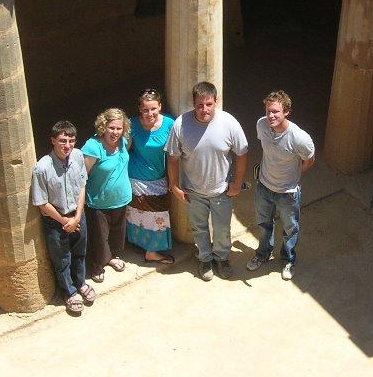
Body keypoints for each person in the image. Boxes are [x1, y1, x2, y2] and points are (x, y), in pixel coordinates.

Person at [166, 81, 248, 281]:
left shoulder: (229, 123)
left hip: (222, 191)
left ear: (216, 101)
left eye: (209, 104)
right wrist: (174, 185)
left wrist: (237, 183)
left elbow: (242, 153)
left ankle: (221, 258)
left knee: (222, 229)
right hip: (193, 191)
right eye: (200, 105)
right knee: (198, 228)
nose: (204, 109)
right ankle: (204, 258)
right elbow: (173, 157)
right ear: (193, 103)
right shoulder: (181, 124)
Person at [246, 91, 315, 280]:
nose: (271, 116)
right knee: (264, 224)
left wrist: (295, 175)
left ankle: (288, 260)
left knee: (290, 229)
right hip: (264, 187)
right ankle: (263, 254)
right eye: (269, 111)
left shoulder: (299, 138)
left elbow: (309, 159)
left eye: (276, 112)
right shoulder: (262, 125)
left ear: (287, 112)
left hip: (288, 193)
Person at [31, 121, 92, 315]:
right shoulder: (42, 168)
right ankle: (69, 292)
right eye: (62, 141)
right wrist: (64, 221)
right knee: (62, 259)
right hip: (56, 220)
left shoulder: (78, 156)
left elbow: (82, 186)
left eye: (71, 141)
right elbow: (42, 202)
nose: (67, 146)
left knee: (80, 253)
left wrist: (77, 217)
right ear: (53, 141)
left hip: (77, 215)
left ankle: (81, 283)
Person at [82, 108, 132, 284]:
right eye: (111, 128)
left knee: (117, 234)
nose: (115, 132)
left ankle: (110, 258)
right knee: (99, 238)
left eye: (119, 128)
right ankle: (97, 265)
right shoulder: (93, 146)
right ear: (103, 126)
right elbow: (82, 177)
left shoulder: (124, 142)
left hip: (121, 199)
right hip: (99, 203)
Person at [126, 89, 176, 264]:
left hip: (159, 178)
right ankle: (150, 251)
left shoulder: (170, 124)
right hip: (136, 179)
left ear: (160, 107)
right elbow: (125, 152)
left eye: (153, 109)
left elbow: (173, 155)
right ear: (140, 109)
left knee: (158, 217)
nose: (150, 113)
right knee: (138, 216)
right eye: (145, 109)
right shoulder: (132, 124)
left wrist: (173, 180)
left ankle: (151, 249)